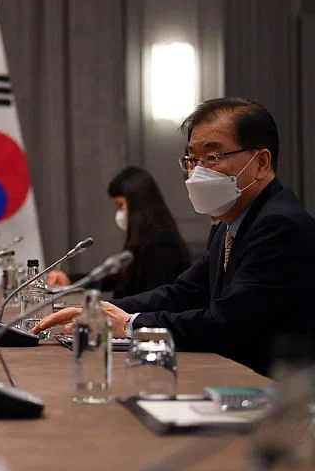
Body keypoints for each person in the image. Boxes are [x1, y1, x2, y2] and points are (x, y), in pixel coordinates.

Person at [34, 98, 315, 376]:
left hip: (278, 392)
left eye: (212, 157)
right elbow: (182, 293)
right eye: (193, 159)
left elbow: (229, 323)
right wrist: (99, 310)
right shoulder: (228, 226)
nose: (198, 171)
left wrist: (131, 324)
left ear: (261, 163)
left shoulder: (279, 225)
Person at [47, 166, 191, 298]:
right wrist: (71, 280)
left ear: (138, 205)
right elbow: (117, 278)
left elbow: (153, 300)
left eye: (120, 205)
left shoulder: (163, 245)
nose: (118, 212)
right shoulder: (143, 240)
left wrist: (107, 308)